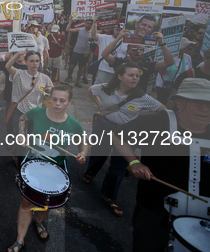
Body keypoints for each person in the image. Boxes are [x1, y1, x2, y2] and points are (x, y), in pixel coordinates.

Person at [111, 78, 210, 251]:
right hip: (156, 211)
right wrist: (134, 162)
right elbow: (117, 135)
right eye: (198, 102)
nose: (205, 109)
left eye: (209, 103)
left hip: (204, 216)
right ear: (180, 102)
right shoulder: (157, 122)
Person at [8, 84, 87, 252]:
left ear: (70, 102)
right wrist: (21, 134)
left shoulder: (74, 124)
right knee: (26, 202)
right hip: (32, 163)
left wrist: (82, 153)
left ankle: (39, 222)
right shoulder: (37, 112)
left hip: (55, 168)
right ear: (50, 98)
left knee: (46, 201)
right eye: (54, 99)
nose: (57, 103)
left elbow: (83, 140)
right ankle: (20, 240)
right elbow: (23, 118)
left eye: (62, 101)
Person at [82, 63, 165, 217]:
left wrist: (139, 115)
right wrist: (100, 106)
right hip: (104, 126)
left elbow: (163, 110)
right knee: (98, 153)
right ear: (120, 76)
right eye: (131, 75)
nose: (135, 78)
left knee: (119, 165)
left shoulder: (142, 97)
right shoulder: (106, 88)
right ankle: (90, 172)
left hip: (126, 134)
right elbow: (90, 90)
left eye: (137, 76)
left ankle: (109, 196)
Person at [5, 50, 53, 162]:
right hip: (20, 111)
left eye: (37, 61)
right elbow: (8, 66)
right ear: (26, 62)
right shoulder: (19, 73)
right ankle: (20, 161)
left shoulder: (45, 78)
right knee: (21, 139)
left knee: (32, 139)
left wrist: (50, 94)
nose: (35, 63)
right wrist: (17, 54)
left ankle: (23, 155)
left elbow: (51, 92)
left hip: (36, 113)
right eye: (32, 61)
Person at [100, 28, 174, 92]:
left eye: (141, 49)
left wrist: (161, 42)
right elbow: (104, 55)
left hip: (139, 100)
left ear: (143, 52)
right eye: (134, 49)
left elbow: (169, 62)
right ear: (128, 52)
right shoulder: (120, 63)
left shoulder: (147, 65)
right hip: (120, 99)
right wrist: (118, 38)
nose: (138, 51)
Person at [155, 37, 195, 104]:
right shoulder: (165, 56)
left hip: (180, 87)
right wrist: (167, 63)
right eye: (186, 46)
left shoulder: (187, 57)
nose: (188, 48)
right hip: (164, 86)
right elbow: (161, 73)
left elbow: (189, 72)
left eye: (188, 46)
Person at [90, 17, 126, 84]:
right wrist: (94, 23)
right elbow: (93, 35)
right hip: (103, 70)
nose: (119, 32)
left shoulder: (127, 43)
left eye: (121, 30)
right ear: (113, 29)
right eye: (117, 30)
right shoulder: (104, 37)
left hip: (118, 72)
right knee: (99, 91)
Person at [65, 17, 93, 88]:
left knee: (81, 68)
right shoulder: (80, 29)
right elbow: (68, 29)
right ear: (85, 23)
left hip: (85, 53)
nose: (89, 25)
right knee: (71, 66)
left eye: (90, 24)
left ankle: (77, 82)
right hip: (76, 51)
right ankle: (68, 78)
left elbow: (95, 44)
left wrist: (89, 52)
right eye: (88, 23)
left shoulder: (93, 32)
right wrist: (70, 22)